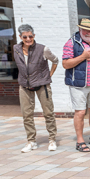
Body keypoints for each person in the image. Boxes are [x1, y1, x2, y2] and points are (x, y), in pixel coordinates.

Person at [62, 18, 90, 153]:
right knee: (80, 112)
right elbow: (65, 64)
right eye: (86, 30)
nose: (89, 33)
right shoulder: (71, 43)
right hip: (79, 85)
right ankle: (80, 140)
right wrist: (82, 56)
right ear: (80, 29)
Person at [14, 24, 58, 152]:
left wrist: (48, 75)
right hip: (24, 86)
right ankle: (31, 141)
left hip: (42, 85)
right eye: (25, 37)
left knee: (48, 113)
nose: (28, 39)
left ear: (34, 36)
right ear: (20, 37)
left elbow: (55, 61)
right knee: (26, 115)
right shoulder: (16, 48)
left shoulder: (43, 49)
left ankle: (52, 139)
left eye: (30, 36)